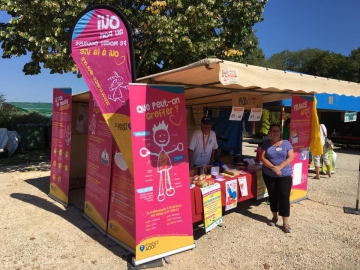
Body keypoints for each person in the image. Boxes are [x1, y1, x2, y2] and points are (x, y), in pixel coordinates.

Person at [260, 124, 294, 233]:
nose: (275, 133)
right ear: (270, 133)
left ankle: (286, 222)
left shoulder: (286, 143)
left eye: (277, 131)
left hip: (284, 175)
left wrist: (279, 167)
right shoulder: (266, 144)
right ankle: (274, 218)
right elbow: (262, 158)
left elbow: (290, 157)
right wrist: (273, 168)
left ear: (280, 132)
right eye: (273, 131)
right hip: (269, 175)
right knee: (273, 195)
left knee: (284, 197)